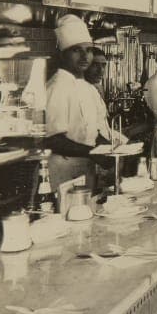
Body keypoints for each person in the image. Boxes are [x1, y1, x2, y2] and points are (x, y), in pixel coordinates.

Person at [44, 15, 124, 192]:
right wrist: (93, 152)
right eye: (76, 50)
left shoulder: (86, 88)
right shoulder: (57, 87)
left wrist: (112, 149)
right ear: (63, 54)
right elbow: (53, 139)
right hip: (62, 170)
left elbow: (93, 132)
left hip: (84, 168)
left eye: (88, 50)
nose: (84, 56)